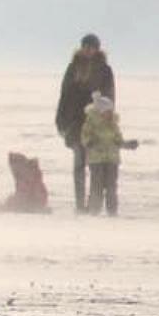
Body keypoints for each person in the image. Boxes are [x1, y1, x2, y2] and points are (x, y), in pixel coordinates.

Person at [55, 33, 115, 211]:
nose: (88, 50)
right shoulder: (73, 67)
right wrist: (60, 120)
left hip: (95, 123)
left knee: (95, 166)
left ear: (97, 49)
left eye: (91, 47)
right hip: (74, 123)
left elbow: (110, 97)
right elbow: (64, 95)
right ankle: (80, 205)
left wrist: (107, 119)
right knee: (79, 163)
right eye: (86, 46)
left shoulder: (104, 70)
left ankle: (93, 204)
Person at [80, 92, 138, 216]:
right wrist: (89, 142)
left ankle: (112, 211)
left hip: (112, 159)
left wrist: (127, 145)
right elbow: (84, 137)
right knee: (97, 186)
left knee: (111, 186)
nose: (109, 114)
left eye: (110, 111)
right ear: (101, 112)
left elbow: (118, 140)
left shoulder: (113, 124)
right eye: (107, 111)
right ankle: (94, 210)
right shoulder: (91, 123)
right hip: (96, 160)